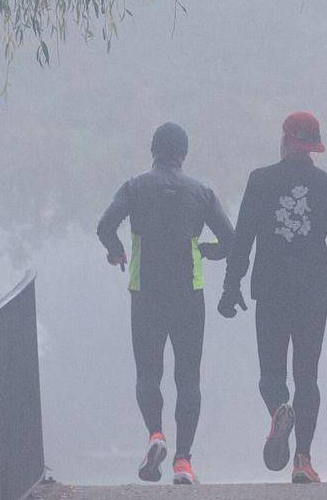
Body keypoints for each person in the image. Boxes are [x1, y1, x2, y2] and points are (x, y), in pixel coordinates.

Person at [217, 111, 327, 484]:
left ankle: (279, 409)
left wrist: (231, 286)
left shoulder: (261, 180)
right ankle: (303, 460)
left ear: (283, 141)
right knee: (307, 376)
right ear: (314, 147)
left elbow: (243, 239)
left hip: (271, 290)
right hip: (313, 291)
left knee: (270, 375)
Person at [97, 122, 234, 485]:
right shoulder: (201, 192)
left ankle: (156, 435)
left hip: (146, 293)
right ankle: (183, 462)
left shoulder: (134, 186)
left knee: (148, 372)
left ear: (153, 150)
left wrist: (116, 251)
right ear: (183, 154)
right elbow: (231, 240)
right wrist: (209, 250)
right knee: (188, 377)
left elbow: (104, 225)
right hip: (189, 293)